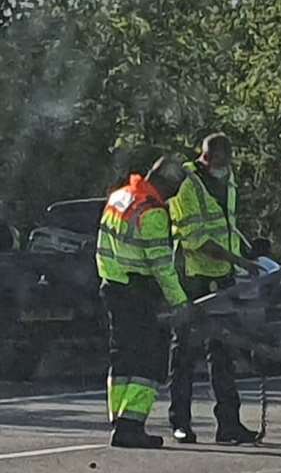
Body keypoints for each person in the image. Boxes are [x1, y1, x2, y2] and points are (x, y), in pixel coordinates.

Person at [167, 132, 262, 445]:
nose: (218, 165)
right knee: (185, 353)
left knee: (222, 351)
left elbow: (226, 227)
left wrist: (242, 258)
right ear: (203, 157)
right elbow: (196, 239)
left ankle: (229, 425)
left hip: (223, 276)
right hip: (193, 277)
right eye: (212, 159)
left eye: (223, 159)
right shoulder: (187, 184)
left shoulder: (228, 181)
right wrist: (240, 261)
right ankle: (180, 423)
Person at [96, 157, 190, 449]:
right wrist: (180, 303)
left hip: (113, 285)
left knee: (122, 356)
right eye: (175, 189)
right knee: (148, 360)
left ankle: (119, 420)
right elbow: (162, 265)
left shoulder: (121, 196)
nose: (174, 196)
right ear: (167, 183)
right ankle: (132, 424)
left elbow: (103, 246)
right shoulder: (152, 212)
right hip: (138, 290)